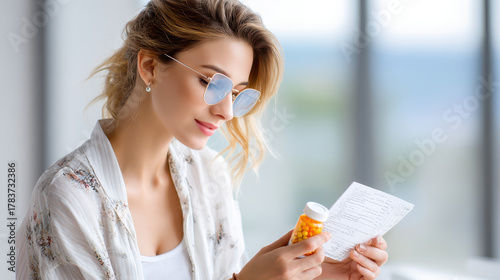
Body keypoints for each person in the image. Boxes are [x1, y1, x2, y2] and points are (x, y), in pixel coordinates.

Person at [16, 0, 388, 279]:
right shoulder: (67, 196)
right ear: (150, 67)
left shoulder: (209, 176)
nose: (227, 111)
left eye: (239, 92)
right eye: (212, 83)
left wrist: (316, 275)